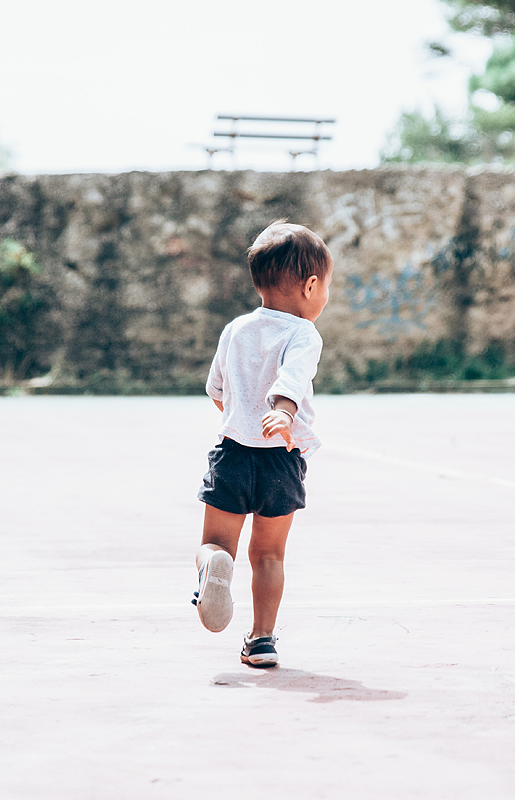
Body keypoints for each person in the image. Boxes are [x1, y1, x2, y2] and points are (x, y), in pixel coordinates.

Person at [192, 220, 332, 668]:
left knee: (216, 542)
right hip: (281, 460)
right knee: (268, 554)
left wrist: (244, 418)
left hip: (233, 453)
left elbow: (216, 390)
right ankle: (262, 640)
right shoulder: (304, 333)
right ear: (311, 286)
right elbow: (293, 379)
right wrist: (283, 413)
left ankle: (213, 567)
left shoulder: (235, 329)